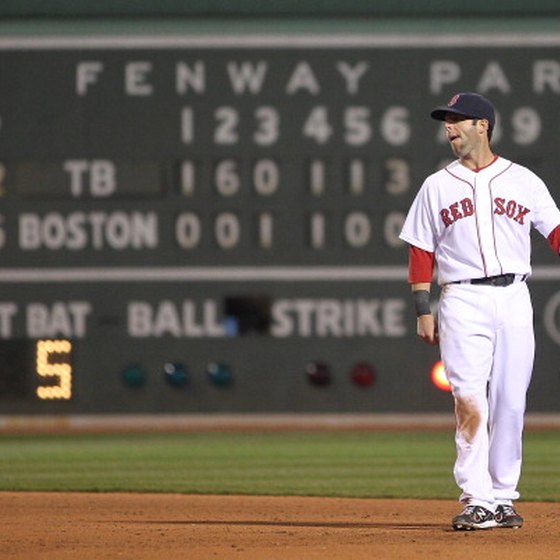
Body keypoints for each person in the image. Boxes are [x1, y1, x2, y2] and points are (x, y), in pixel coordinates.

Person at [399, 92, 560, 530]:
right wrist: (422, 308)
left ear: (483, 126)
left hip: (513, 296)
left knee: (510, 400)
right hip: (461, 299)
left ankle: (503, 497)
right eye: (446, 121)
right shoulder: (436, 185)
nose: (449, 127)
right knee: (469, 399)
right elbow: (420, 249)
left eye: (457, 120)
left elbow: (556, 231)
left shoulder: (522, 180)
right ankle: (477, 498)